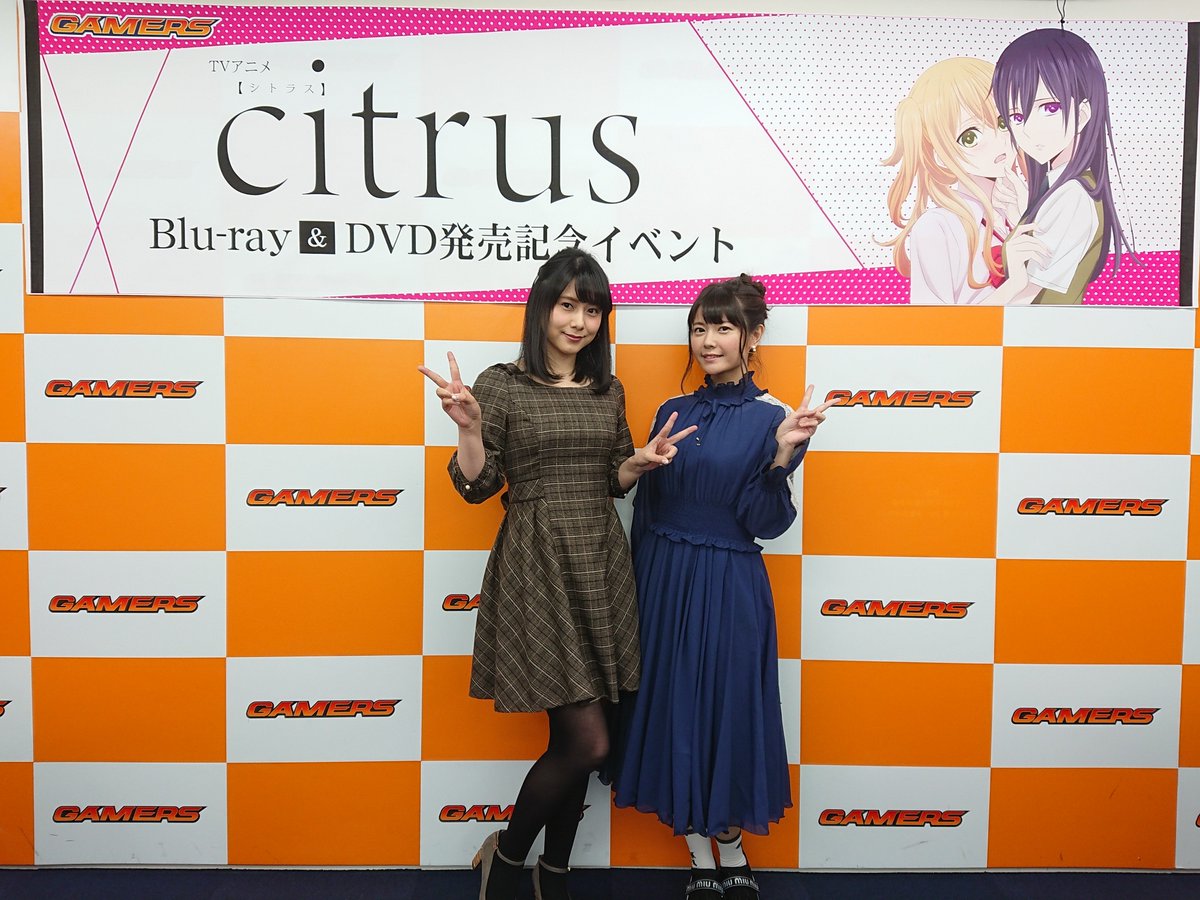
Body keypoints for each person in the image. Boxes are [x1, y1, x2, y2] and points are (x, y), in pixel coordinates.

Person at [419, 247, 694, 900]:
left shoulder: (607, 388)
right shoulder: (501, 384)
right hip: (537, 561)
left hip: (600, 560)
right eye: (568, 305)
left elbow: (610, 476)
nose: (579, 322)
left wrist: (637, 463)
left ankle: (555, 873)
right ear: (542, 306)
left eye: (592, 311)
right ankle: (508, 857)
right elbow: (477, 486)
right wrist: (469, 429)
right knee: (587, 742)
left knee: (581, 738)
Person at [609, 276, 831, 900]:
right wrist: (637, 587)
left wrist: (782, 457)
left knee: (728, 708)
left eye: (723, 327)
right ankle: (695, 855)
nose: (708, 340)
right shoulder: (670, 411)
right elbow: (646, 511)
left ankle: (730, 847)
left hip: (731, 582)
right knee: (670, 705)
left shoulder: (776, 419)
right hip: (662, 579)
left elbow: (765, 522)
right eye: (699, 328)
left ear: (753, 336)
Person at [881, 57, 1047, 304]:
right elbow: (935, 324)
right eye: (970, 137)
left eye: (1003, 122)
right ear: (938, 153)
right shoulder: (938, 227)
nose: (999, 140)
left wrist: (1025, 214)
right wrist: (1013, 286)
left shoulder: (1017, 208)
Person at [992, 28, 1135, 304]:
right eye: (1017, 116)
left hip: (1038, 328)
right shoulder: (1062, 187)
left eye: (1049, 108)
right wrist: (1020, 211)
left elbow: (1024, 298)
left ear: (1082, 113)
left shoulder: (1072, 195)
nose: (1028, 130)